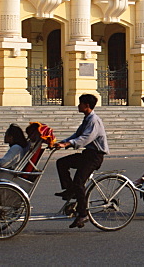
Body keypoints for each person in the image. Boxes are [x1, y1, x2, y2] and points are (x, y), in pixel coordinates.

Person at [55, 94, 108, 229]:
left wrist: (68, 144)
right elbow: (77, 135)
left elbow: (86, 138)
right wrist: (63, 142)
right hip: (87, 154)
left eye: (80, 103)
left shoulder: (94, 120)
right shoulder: (86, 119)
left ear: (87, 105)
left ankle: (83, 214)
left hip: (95, 156)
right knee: (61, 163)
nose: (78, 106)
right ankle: (69, 190)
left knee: (79, 182)